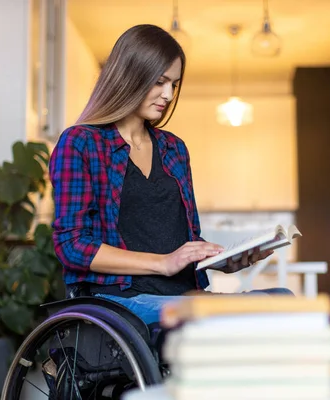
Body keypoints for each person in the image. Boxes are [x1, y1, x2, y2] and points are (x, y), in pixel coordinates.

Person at [49, 24, 292, 327]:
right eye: (159, 82)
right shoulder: (81, 142)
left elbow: (185, 239)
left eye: (174, 85)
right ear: (129, 76)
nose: (167, 94)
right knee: (232, 319)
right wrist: (162, 263)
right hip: (122, 299)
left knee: (283, 299)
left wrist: (226, 260)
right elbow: (72, 245)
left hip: (185, 294)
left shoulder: (174, 148)